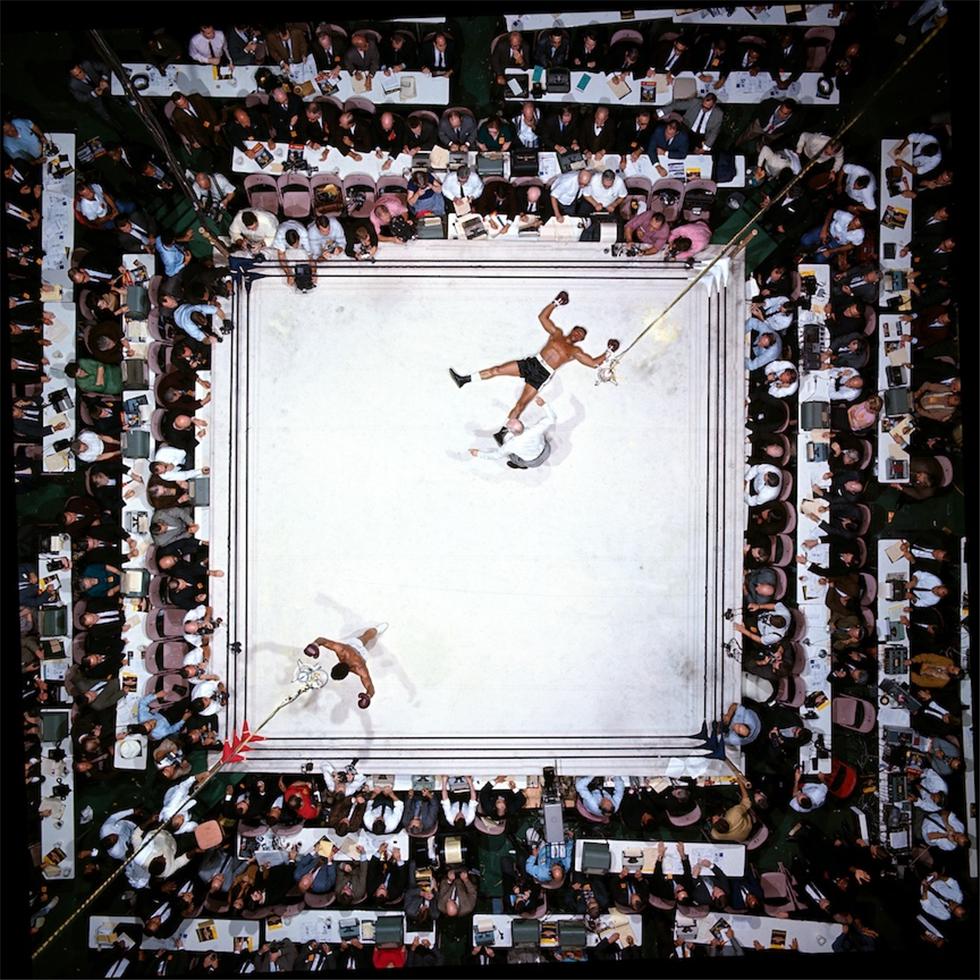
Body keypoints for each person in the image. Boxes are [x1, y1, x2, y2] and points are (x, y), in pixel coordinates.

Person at [449, 292, 615, 441]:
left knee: (521, 405)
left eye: (581, 335)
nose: (578, 334)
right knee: (497, 369)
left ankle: (502, 433)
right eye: (577, 331)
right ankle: (464, 379)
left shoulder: (575, 351)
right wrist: (555, 303)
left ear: (581, 340)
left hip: (542, 374)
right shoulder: (557, 334)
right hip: (532, 362)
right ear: (572, 330)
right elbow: (542, 318)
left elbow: (594, 363)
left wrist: (608, 351)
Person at [304, 625, 389, 708]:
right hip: (351, 649)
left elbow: (370, 688)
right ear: (337, 664)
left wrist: (368, 696)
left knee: (365, 638)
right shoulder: (342, 651)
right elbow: (321, 640)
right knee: (365, 637)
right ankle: (376, 629)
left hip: (360, 653)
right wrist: (315, 645)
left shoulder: (360, 668)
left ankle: (376, 629)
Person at [469, 396, 556, 469]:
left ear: (510, 431)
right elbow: (552, 418)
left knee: (509, 452)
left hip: (532, 463)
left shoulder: (510, 444)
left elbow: (496, 455)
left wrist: (477, 453)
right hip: (546, 450)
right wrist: (544, 404)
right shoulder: (535, 429)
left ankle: (520, 465)